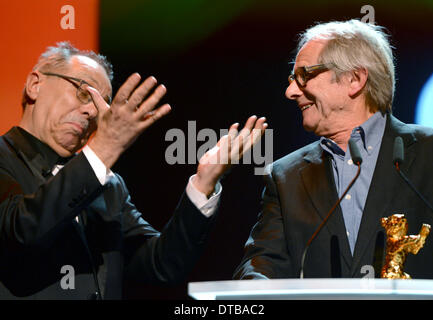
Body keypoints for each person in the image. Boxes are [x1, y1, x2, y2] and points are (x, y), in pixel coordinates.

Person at [0, 42, 267, 299]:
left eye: (101, 104)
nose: (92, 112)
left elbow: (161, 264)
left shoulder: (109, 186)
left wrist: (203, 182)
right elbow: (21, 231)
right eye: (83, 92)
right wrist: (105, 148)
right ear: (36, 85)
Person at [234, 19, 433, 280]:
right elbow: (259, 265)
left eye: (304, 76)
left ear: (354, 79)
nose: (290, 91)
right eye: (291, 79)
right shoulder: (286, 177)